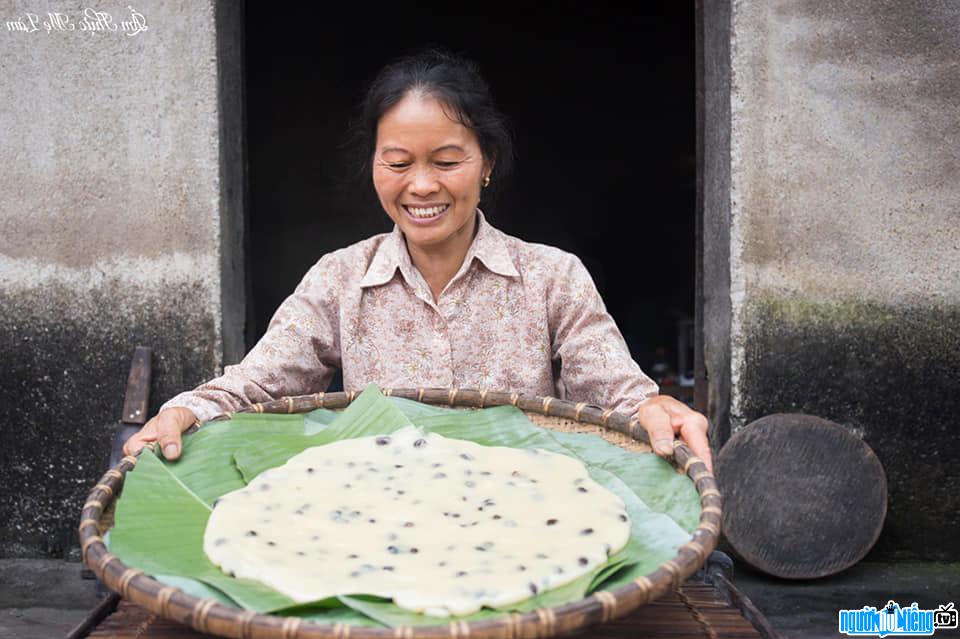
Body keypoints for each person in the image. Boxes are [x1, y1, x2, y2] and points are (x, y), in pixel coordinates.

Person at [123, 46, 712, 472]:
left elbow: (618, 392)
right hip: (379, 524)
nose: (422, 186)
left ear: (487, 162)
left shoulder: (552, 277)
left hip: (523, 522)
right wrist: (184, 412)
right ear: (375, 165)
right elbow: (254, 385)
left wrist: (656, 408)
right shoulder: (339, 279)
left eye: (447, 161)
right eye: (399, 163)